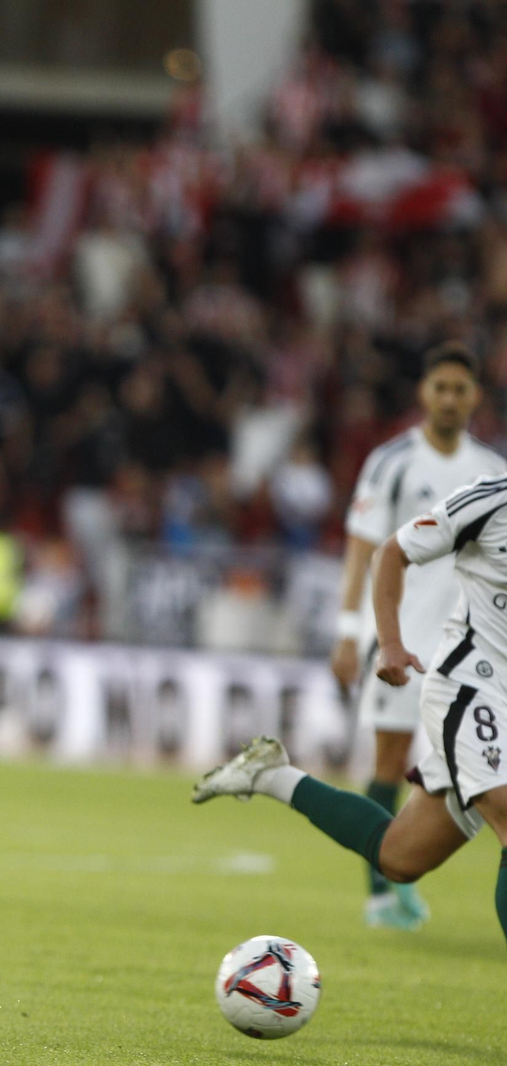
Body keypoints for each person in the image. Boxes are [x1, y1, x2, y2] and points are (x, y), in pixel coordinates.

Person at [193, 464, 507, 946]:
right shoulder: (490, 500)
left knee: (400, 858)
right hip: (470, 687)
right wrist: (390, 642)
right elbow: (392, 552)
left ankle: (271, 775)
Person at [327, 342, 504, 929]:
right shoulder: (392, 461)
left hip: (468, 647)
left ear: (475, 396)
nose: (450, 399)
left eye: (461, 389)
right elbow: (365, 548)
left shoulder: (492, 469)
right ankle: (381, 889)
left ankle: (402, 867)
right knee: (389, 757)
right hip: (399, 635)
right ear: (423, 394)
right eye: (440, 388)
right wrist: (352, 632)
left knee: (456, 774)